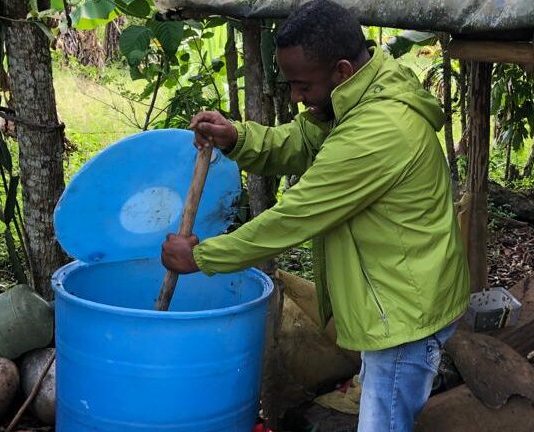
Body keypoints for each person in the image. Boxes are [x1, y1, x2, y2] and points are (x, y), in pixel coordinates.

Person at [161, 1, 469, 430]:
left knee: (383, 423)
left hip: (404, 314)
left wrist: (202, 257)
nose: (295, 97)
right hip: (399, 291)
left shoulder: (379, 130)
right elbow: (298, 141)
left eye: (302, 86)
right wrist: (236, 138)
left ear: (341, 72)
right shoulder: (361, 93)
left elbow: (295, 216)